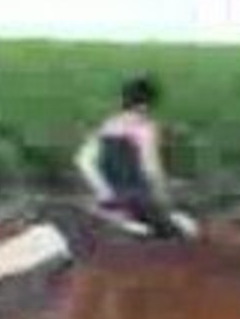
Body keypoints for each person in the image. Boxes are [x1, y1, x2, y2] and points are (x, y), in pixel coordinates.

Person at [74, 75, 181, 238]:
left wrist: (106, 195)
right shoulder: (145, 129)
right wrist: (165, 200)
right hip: (139, 201)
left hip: (111, 202)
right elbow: (151, 169)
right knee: (185, 230)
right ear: (145, 105)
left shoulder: (108, 125)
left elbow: (83, 160)